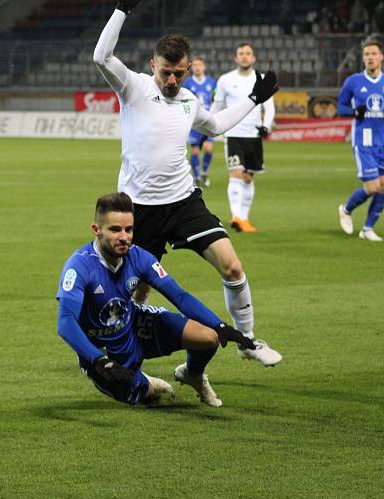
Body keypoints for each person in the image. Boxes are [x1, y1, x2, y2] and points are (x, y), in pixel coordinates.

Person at [93, 0, 282, 367]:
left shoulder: (190, 100)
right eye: (166, 72)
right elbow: (101, 57)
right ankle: (120, 351)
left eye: (180, 73)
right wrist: (121, 9)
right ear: (153, 66)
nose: (172, 80)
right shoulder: (133, 87)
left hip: (183, 202)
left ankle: (246, 340)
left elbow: (215, 126)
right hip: (139, 208)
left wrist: (255, 99)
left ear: (190, 69)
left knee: (232, 266)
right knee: (138, 290)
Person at [56, 192, 255, 407]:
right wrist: (98, 360)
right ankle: (143, 382)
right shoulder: (79, 267)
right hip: (105, 353)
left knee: (209, 338)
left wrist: (220, 325)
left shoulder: (139, 257)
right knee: (151, 397)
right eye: (115, 229)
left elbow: (178, 296)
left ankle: (193, 374)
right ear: (97, 230)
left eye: (129, 229)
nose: (124, 237)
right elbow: (66, 322)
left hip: (135, 326)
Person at [337, 40, 384, 242]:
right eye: (366, 54)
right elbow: (340, 107)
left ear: (381, 57)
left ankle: (368, 229)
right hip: (363, 139)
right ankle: (346, 208)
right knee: (373, 187)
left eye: (373, 54)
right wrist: (353, 112)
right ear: (363, 58)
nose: (370, 57)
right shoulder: (353, 81)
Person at [211, 42, 276, 233]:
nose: (245, 56)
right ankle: (236, 216)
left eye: (248, 53)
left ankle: (244, 218)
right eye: (241, 53)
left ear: (254, 58)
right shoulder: (225, 80)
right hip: (233, 134)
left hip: (253, 134)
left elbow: (269, 106)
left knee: (248, 178)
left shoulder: (262, 79)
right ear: (235, 58)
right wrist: (211, 125)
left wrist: (266, 125)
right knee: (236, 173)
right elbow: (218, 105)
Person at [183, 57, 217, 187]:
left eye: (200, 65)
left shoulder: (212, 83)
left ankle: (204, 172)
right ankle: (196, 177)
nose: (197, 67)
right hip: (194, 122)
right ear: (191, 67)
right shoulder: (187, 83)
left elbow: (216, 100)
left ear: (204, 67)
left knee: (208, 149)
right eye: (195, 65)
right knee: (195, 150)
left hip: (208, 120)